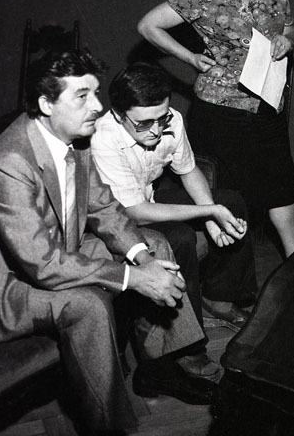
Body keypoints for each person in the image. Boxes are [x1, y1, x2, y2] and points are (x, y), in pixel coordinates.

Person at [0, 50, 217, 436]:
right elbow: (42, 264)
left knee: (153, 245)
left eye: (96, 93)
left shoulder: (75, 140)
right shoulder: (8, 162)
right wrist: (133, 278)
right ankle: (109, 427)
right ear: (46, 104)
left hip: (53, 254)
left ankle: (159, 367)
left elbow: (104, 208)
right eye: (82, 96)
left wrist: (142, 260)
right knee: (88, 305)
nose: (98, 106)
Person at [137, 0, 294, 257]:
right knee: (229, 203)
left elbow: (290, 29)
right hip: (222, 114)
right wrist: (190, 57)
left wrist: (287, 40)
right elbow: (148, 25)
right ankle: (225, 284)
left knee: (281, 193)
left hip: (268, 108)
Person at [91, 62, 258, 380]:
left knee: (231, 201)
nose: (156, 130)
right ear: (119, 115)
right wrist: (208, 213)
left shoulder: (173, 121)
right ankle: (186, 348)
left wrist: (212, 213)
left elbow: (188, 170)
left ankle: (219, 299)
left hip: (147, 200)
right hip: (114, 222)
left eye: (162, 118)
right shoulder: (103, 137)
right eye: (144, 123)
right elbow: (134, 212)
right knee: (179, 237)